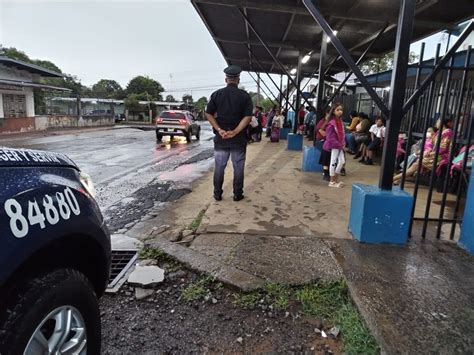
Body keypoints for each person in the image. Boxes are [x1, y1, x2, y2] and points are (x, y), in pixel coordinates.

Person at [205, 65, 253, 201]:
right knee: (238, 167)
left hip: (221, 139)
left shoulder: (216, 94)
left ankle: (217, 194)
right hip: (238, 140)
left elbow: (208, 113)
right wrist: (236, 131)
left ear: (226, 79)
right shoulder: (245, 96)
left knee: (219, 167)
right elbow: (247, 117)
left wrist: (219, 129)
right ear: (238, 79)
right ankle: (237, 194)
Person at [393, 118, 454, 185]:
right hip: (434, 154)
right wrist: (430, 151)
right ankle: (397, 180)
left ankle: (393, 178)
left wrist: (430, 153)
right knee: (416, 166)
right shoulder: (439, 132)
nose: (437, 122)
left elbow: (443, 149)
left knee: (416, 165)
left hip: (441, 157)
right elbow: (434, 145)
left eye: (438, 121)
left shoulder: (448, 132)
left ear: (443, 123)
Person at [323, 103, 346, 187]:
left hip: (339, 146)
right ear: (333, 111)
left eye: (341, 110)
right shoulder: (331, 123)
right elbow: (330, 137)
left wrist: (343, 143)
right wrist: (339, 144)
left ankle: (335, 179)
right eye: (338, 110)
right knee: (333, 162)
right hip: (334, 146)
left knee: (342, 161)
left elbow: (342, 134)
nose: (340, 111)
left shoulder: (340, 122)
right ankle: (332, 181)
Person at [316, 108, 332, 181]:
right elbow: (322, 132)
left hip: (330, 141)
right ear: (326, 113)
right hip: (321, 141)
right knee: (326, 151)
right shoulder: (322, 122)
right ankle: (325, 172)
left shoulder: (332, 122)